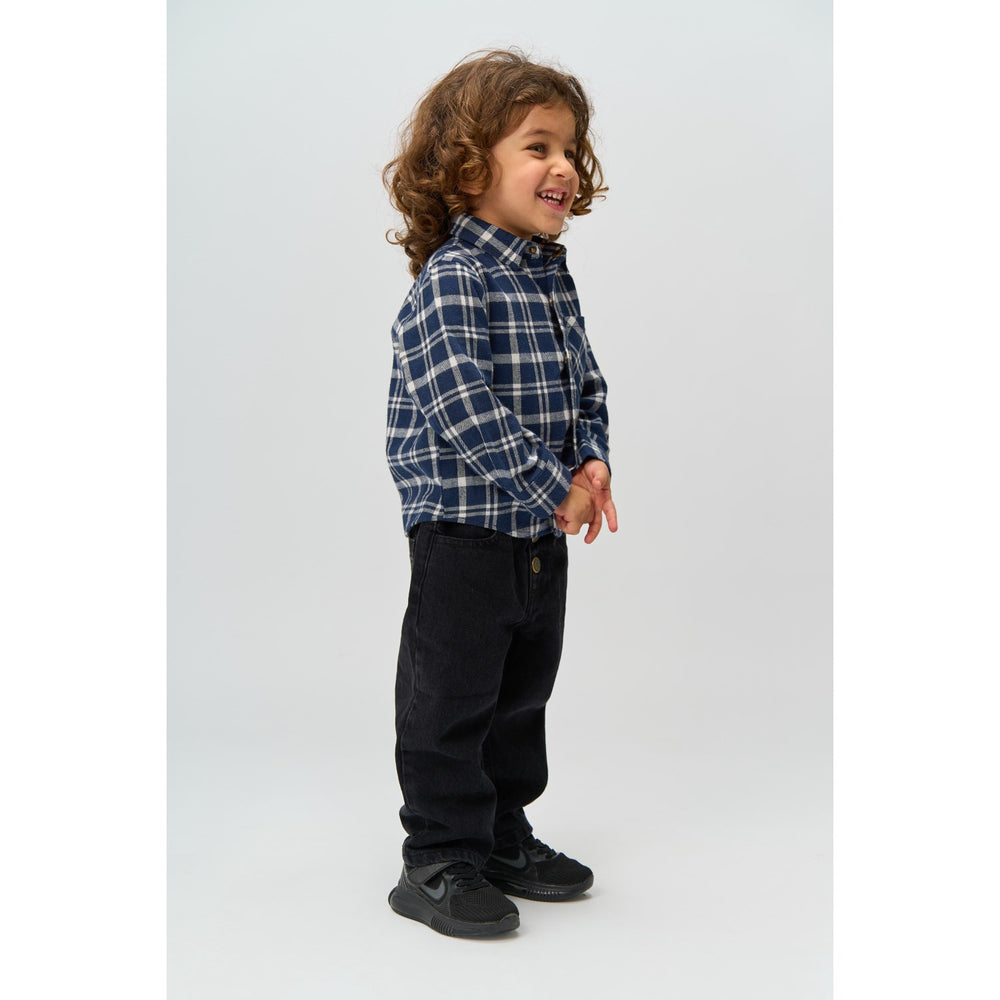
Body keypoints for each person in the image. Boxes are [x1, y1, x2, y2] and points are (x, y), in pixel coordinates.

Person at [382, 48, 618, 938]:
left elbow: (587, 382)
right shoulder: (456, 278)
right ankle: (439, 855)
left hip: (537, 537)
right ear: (469, 167)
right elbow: (462, 408)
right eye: (538, 146)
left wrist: (591, 461)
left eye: (570, 149)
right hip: (464, 536)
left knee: (520, 695)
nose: (564, 166)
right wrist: (553, 486)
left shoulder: (549, 276)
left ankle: (501, 833)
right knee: (451, 698)